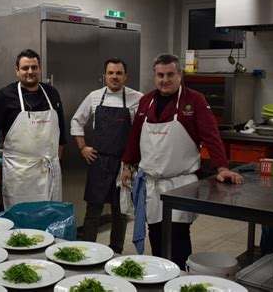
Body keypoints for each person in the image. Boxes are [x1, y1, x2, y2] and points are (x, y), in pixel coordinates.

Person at [121, 53, 242, 268]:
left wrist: (222, 167)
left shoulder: (194, 100)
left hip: (180, 183)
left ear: (180, 75)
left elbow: (211, 135)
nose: (164, 80)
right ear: (154, 75)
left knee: (178, 233)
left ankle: (181, 278)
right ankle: (160, 273)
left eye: (170, 74)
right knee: (155, 231)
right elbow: (134, 137)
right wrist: (128, 165)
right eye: (160, 75)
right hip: (151, 183)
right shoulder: (146, 100)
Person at [70, 58, 142, 254]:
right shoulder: (94, 97)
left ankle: (116, 251)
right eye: (110, 73)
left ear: (126, 76)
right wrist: (83, 147)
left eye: (119, 73)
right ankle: (89, 252)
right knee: (93, 210)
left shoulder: (137, 98)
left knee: (120, 212)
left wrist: (133, 161)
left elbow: (142, 130)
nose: (114, 77)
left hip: (123, 164)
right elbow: (76, 121)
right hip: (98, 162)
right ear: (105, 75)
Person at [0, 49, 66, 209]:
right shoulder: (3, 97)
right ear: (17, 70)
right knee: (22, 218)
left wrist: (56, 161)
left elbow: (61, 133)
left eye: (34, 67)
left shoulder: (52, 93)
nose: (30, 72)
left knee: (49, 214)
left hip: (49, 169)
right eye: (25, 68)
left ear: (40, 69)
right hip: (20, 173)